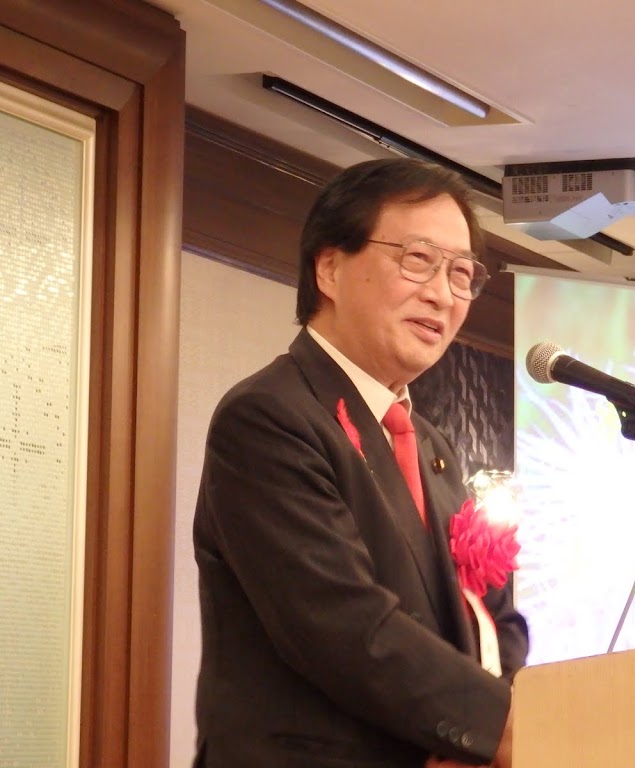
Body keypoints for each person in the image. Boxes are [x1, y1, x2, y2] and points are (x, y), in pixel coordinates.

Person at [192, 158, 529, 768]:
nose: (442, 294)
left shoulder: (432, 447)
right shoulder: (270, 417)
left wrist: (500, 724)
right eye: (418, 259)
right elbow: (342, 625)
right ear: (329, 268)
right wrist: (501, 729)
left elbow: (490, 612)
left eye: (460, 273)